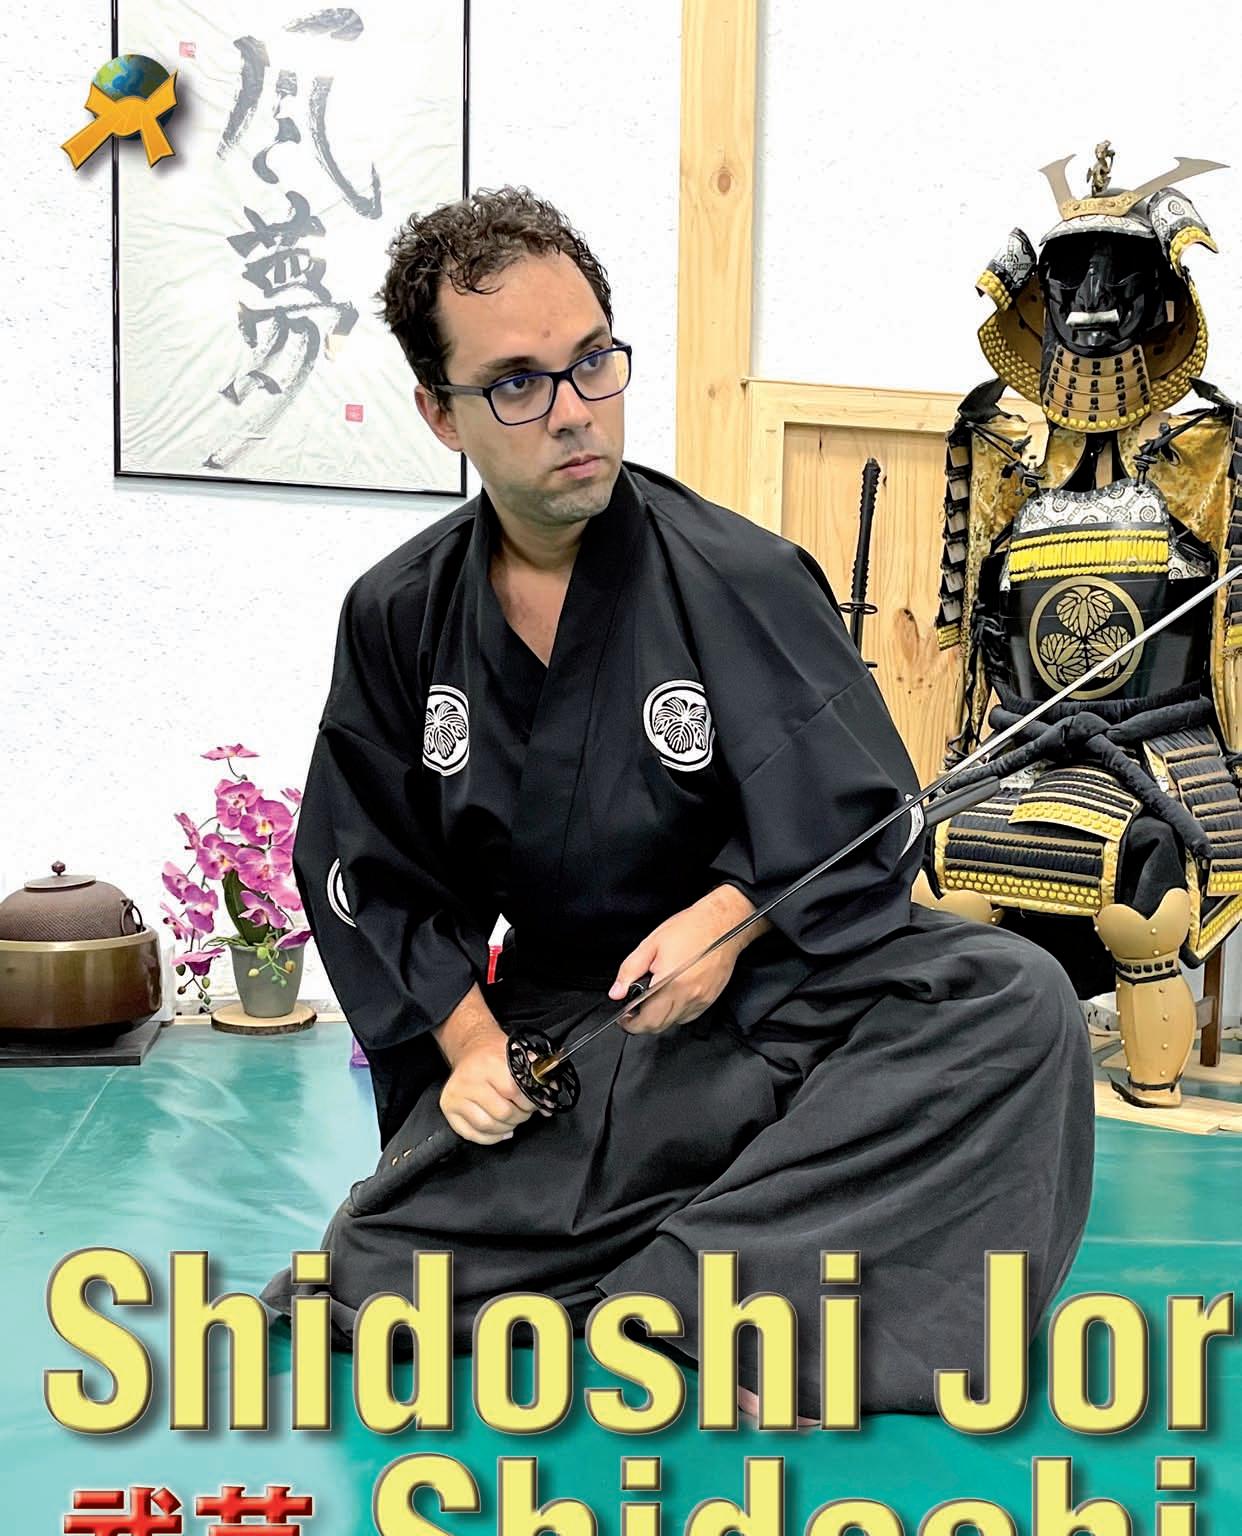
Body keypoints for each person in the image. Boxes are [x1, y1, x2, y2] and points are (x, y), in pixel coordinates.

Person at [261, 187, 1095, 1416]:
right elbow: (368, 867)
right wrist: (472, 1045)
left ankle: (691, 1290)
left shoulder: (739, 575)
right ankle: (747, 1233)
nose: (574, 410)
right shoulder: (400, 614)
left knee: (1012, 1001)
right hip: (588, 1031)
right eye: (518, 383)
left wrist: (734, 915)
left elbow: (861, 818)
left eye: (593, 360)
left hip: (779, 995)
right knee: (376, 1271)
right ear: (440, 411)